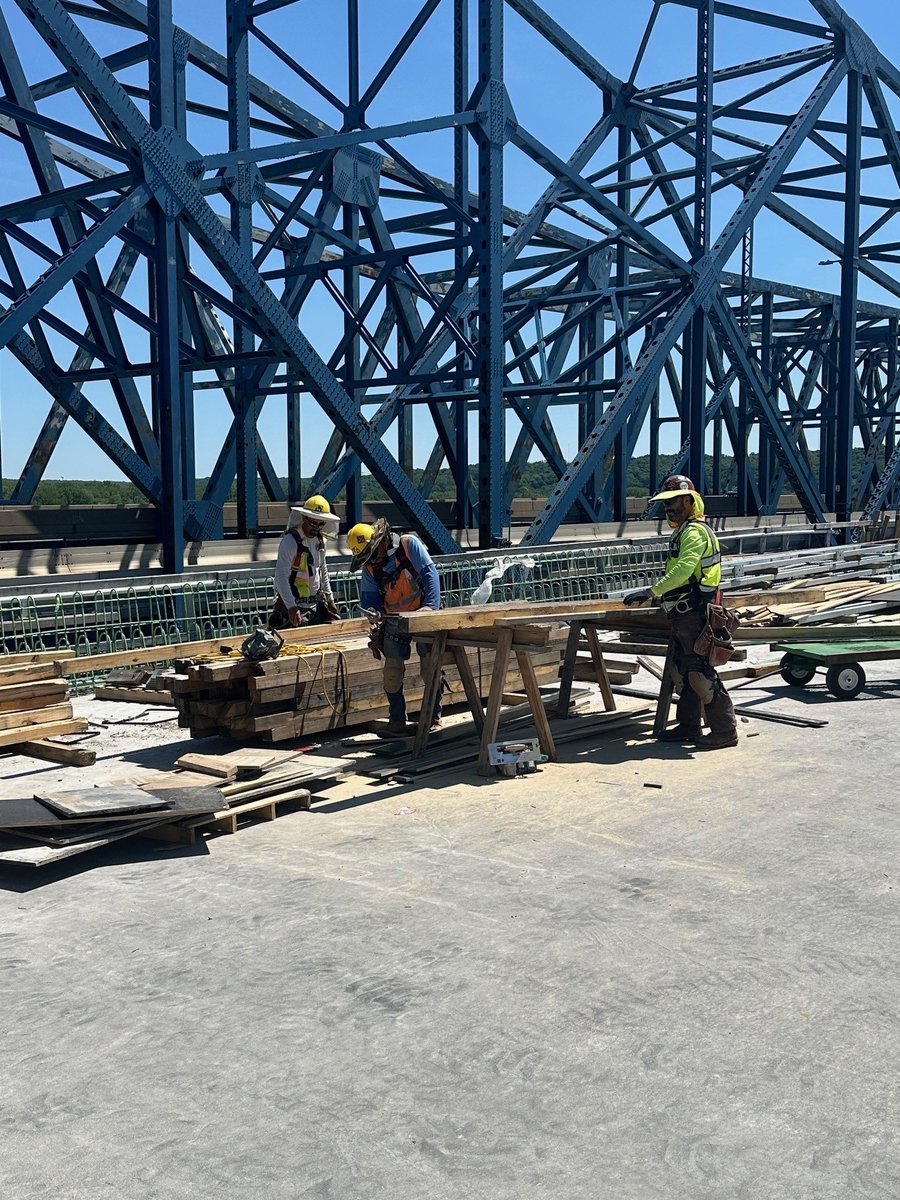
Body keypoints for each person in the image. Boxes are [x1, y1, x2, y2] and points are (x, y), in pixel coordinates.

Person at [623, 474, 738, 750]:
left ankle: (725, 731)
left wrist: (651, 592)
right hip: (682, 613)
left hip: (695, 612)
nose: (668, 508)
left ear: (689, 500)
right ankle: (688, 726)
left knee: (700, 672)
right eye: (665, 503)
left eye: (673, 501)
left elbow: (684, 570)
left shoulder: (695, 532)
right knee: (682, 672)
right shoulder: (685, 530)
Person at [348, 517, 443, 735]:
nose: (370, 559)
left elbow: (430, 575)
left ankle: (433, 718)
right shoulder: (371, 569)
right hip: (393, 620)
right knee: (392, 671)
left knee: (430, 668)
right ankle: (397, 719)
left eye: (371, 553)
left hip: (422, 613)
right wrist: (373, 613)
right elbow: (370, 599)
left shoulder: (409, 545)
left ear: (381, 542)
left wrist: (430, 607)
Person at [268, 495, 341, 630]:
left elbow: (323, 570)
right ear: (303, 518)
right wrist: (291, 607)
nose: (316, 528)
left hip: (315, 606)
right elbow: (281, 577)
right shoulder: (290, 542)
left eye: (321, 524)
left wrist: (329, 599)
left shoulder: (320, 540)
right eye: (313, 523)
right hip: (294, 607)